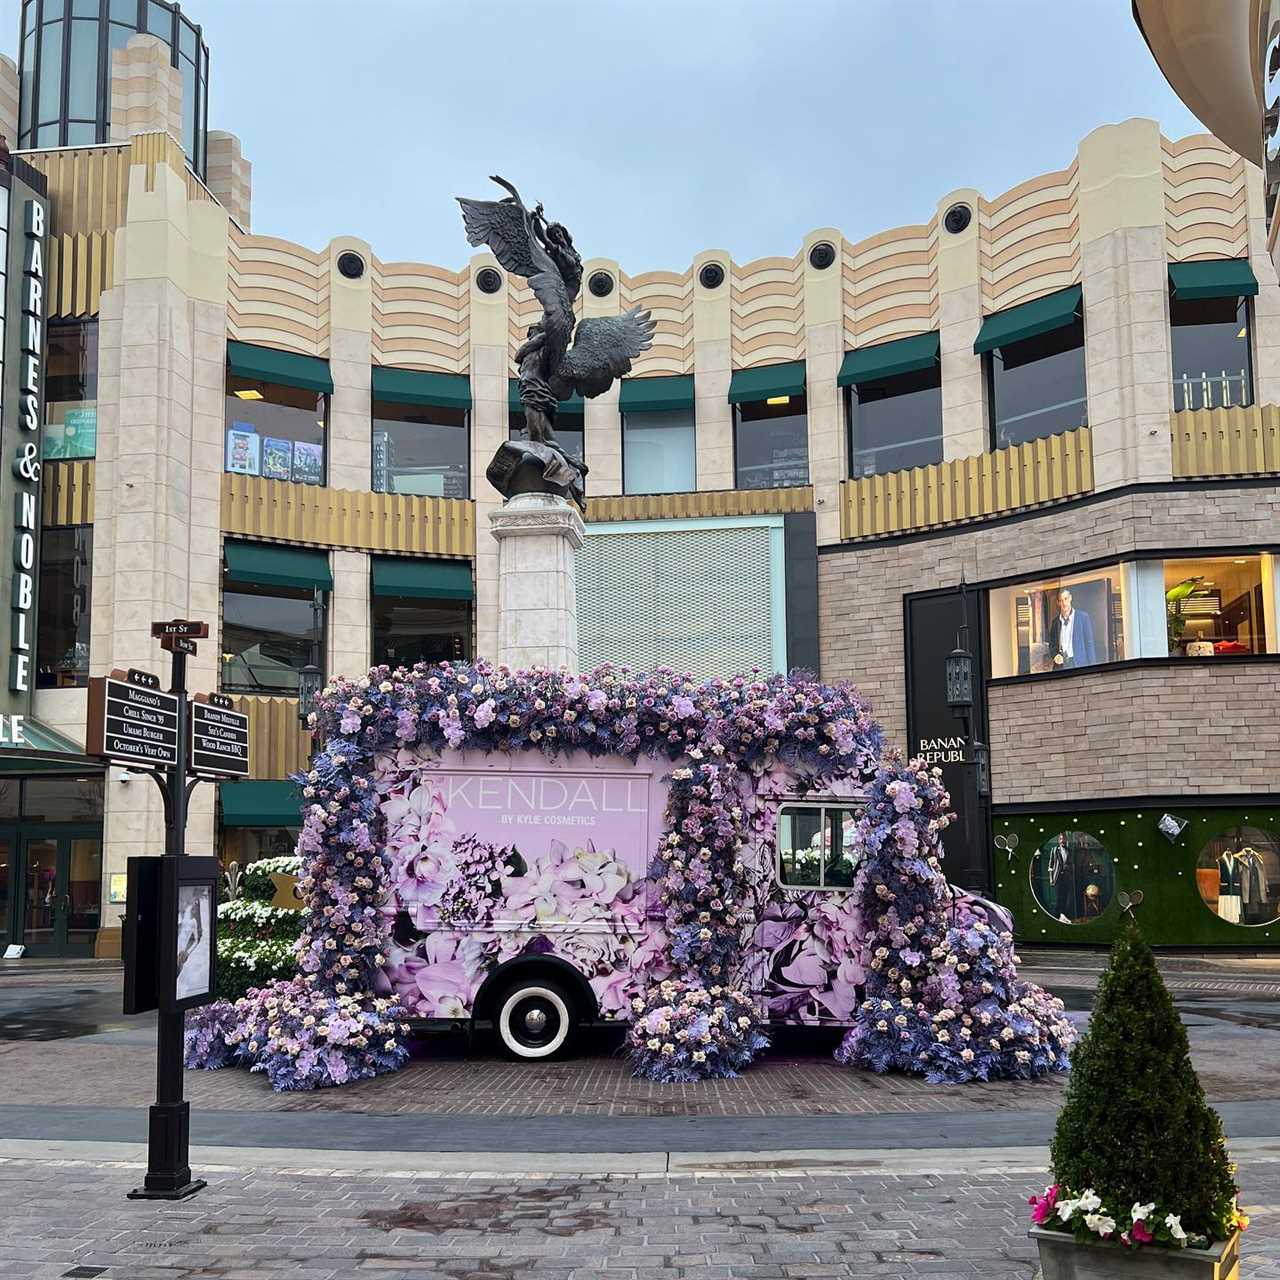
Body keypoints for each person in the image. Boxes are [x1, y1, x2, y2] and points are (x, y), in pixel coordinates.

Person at [1047, 587, 1096, 669]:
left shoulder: (1083, 617)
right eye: (1061, 600)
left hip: (1078, 664)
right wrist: (1055, 655)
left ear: (1070, 598)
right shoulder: (1055, 622)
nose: (1064, 603)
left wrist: (1093, 667)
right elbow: (1052, 645)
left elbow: (1089, 643)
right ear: (1058, 603)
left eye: (1066, 599)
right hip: (1060, 666)